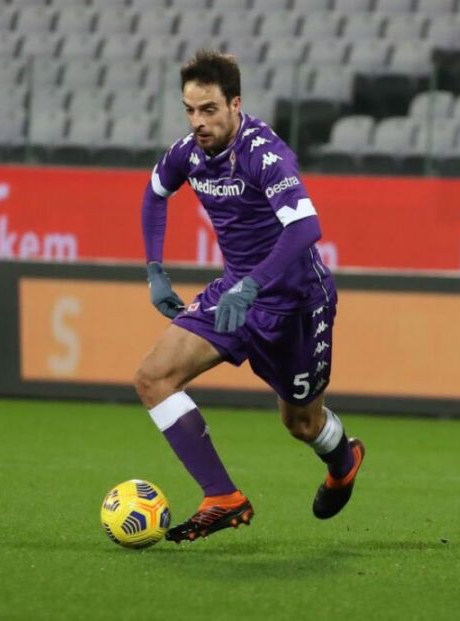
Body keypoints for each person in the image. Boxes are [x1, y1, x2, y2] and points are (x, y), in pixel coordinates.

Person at [133, 50, 364, 543]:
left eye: (209, 109)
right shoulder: (188, 153)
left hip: (296, 305)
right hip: (235, 294)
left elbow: (305, 228)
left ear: (235, 104)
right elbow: (154, 193)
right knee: (153, 378)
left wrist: (254, 285)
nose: (198, 122)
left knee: (302, 424)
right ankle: (222, 497)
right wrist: (155, 270)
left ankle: (344, 462)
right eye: (190, 110)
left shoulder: (264, 153)